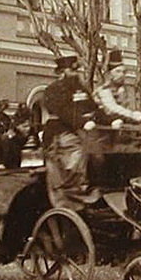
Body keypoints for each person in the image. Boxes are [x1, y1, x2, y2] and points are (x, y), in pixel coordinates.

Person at [42, 52, 101, 210]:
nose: (76, 74)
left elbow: (94, 108)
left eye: (77, 71)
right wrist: (83, 122)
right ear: (62, 72)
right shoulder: (53, 90)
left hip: (77, 131)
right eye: (72, 71)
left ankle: (89, 188)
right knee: (78, 151)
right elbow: (62, 111)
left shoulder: (81, 89)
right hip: (58, 133)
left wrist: (112, 120)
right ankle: (72, 191)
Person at [93, 50, 141, 128]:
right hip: (104, 127)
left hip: (120, 124)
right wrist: (132, 115)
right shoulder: (103, 90)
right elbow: (112, 108)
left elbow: (127, 108)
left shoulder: (122, 90)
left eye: (124, 72)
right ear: (110, 74)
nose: (122, 75)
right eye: (118, 71)